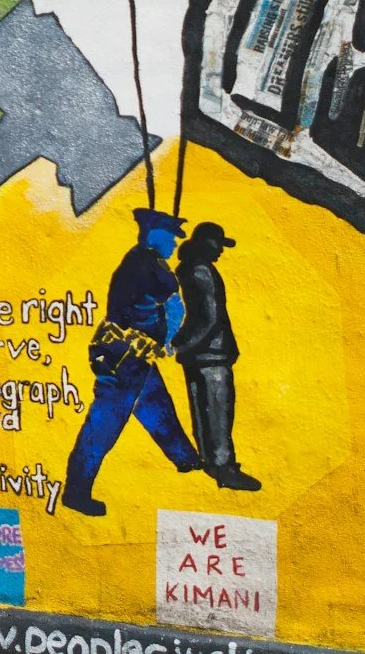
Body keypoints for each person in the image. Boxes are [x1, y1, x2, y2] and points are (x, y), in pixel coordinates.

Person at [63, 207, 204, 516]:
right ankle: (76, 492)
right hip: (125, 357)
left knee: (155, 406)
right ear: (154, 236)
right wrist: (169, 341)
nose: (175, 244)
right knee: (105, 423)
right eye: (171, 237)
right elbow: (176, 307)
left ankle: (187, 460)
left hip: (128, 353)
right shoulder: (148, 266)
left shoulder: (141, 261)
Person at [175, 220, 261, 492]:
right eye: (217, 244)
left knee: (203, 412)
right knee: (217, 413)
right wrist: (185, 344)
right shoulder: (202, 270)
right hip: (211, 353)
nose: (220, 250)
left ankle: (212, 465)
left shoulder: (189, 268)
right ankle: (224, 469)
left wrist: (183, 344)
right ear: (205, 243)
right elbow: (210, 317)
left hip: (198, 354)